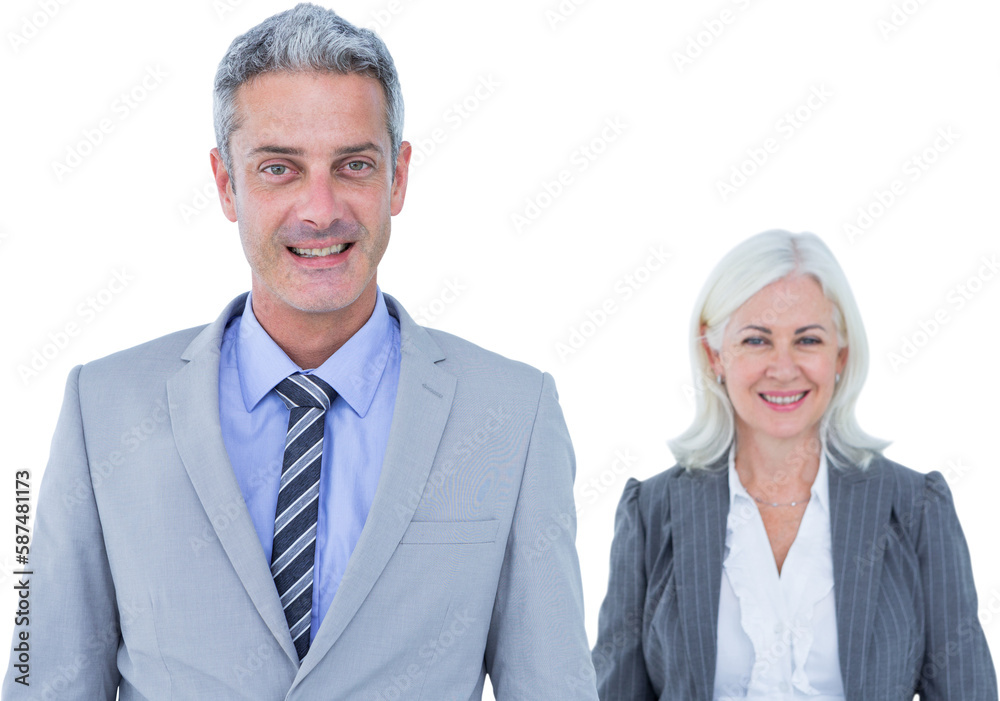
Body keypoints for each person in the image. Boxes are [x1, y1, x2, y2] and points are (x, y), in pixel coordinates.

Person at [3, 5, 598, 699]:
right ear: (227, 184)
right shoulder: (102, 408)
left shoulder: (513, 414)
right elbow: (43, 683)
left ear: (398, 178)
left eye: (353, 165)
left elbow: (552, 685)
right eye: (280, 169)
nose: (320, 209)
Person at [591, 230, 996, 700]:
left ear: (840, 355)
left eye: (807, 340)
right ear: (715, 356)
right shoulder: (651, 513)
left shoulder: (916, 508)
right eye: (757, 340)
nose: (783, 368)